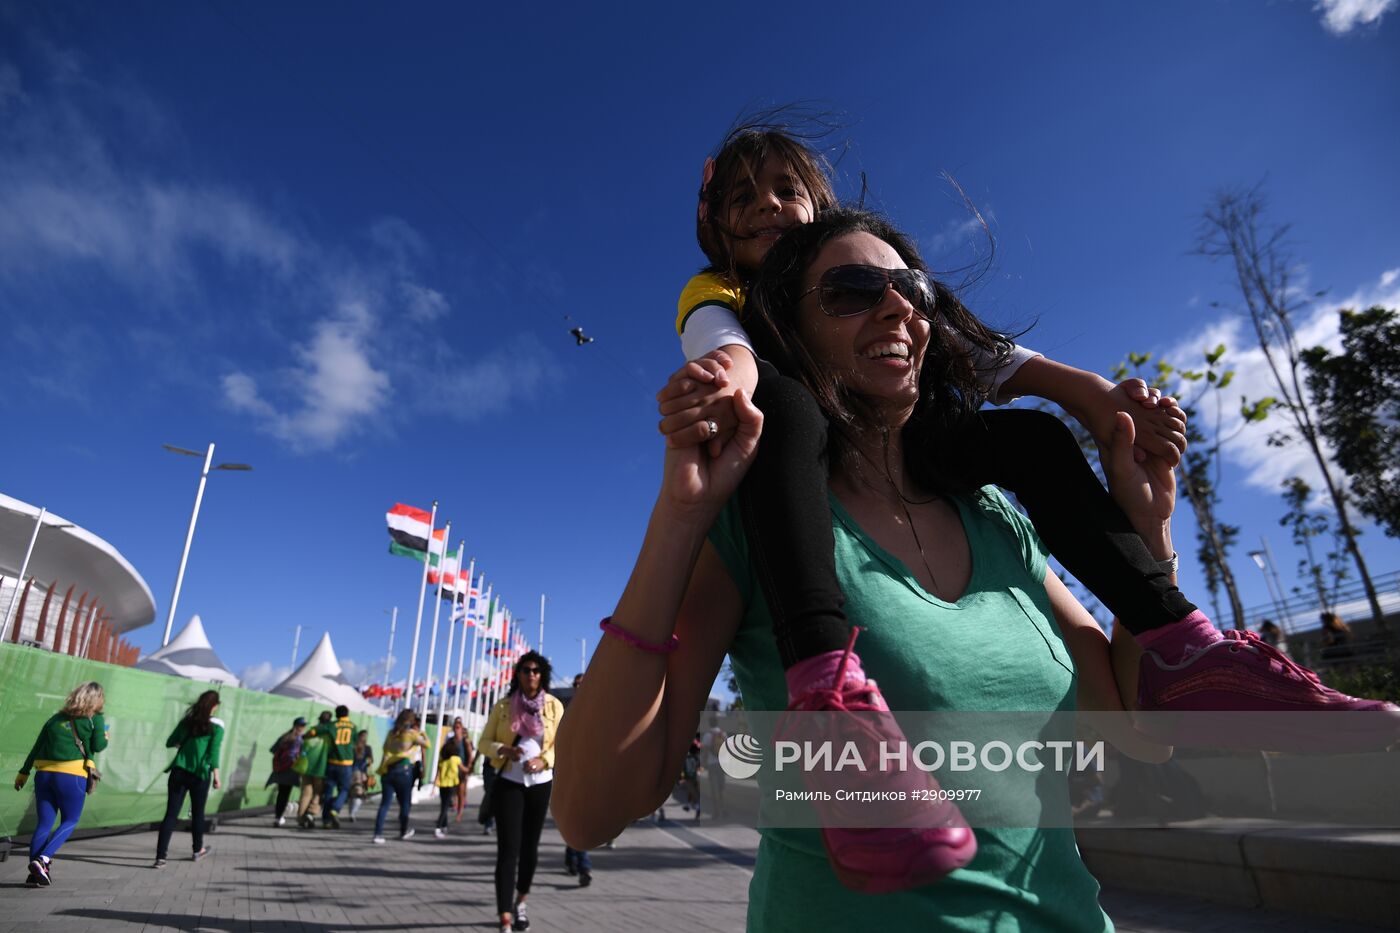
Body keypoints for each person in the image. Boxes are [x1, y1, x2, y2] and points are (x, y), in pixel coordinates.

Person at [554, 209, 1241, 928]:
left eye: (913, 289)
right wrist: (680, 516)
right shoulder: (764, 528)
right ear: (790, 332)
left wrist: (1149, 523)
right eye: (851, 288)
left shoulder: (994, 514)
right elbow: (585, 814)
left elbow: (1140, 727)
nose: (897, 306)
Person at [656, 119, 1393, 760]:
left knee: (1036, 437)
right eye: (743, 199)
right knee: (786, 408)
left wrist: (1099, 400)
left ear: (821, 200)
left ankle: (1186, 647)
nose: (767, 208)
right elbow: (727, 346)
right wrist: (726, 377)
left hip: (911, 440)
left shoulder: (875, 276)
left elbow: (984, 354)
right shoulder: (720, 292)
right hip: (798, 442)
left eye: (785, 188)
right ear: (712, 222)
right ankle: (826, 688)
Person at [481, 651, 564, 932]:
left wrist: (544, 760)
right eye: (526, 669)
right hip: (509, 782)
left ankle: (521, 902)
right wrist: (502, 749)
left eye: (537, 670)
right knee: (508, 850)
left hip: (540, 784)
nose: (532, 674)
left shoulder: (554, 707)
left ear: (543, 675)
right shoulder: (503, 707)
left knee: (530, 849)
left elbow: (562, 744)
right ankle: (504, 914)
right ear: (518, 674)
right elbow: (484, 741)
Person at [14, 681, 107, 887]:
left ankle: (34, 873)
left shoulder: (55, 719)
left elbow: (37, 746)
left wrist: (23, 772)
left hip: (43, 775)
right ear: (97, 699)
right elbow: (99, 745)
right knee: (70, 820)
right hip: (72, 776)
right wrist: (105, 735)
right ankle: (43, 859)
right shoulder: (95, 719)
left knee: (44, 824)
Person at [155, 689, 224, 867]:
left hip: (179, 771)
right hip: (200, 774)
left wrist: (184, 745)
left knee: (171, 813)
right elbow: (214, 753)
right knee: (198, 813)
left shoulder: (187, 722)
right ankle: (197, 850)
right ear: (214, 706)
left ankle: (160, 857)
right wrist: (216, 776)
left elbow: (170, 741)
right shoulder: (216, 726)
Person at [373, 708, 428, 844]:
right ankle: (403, 830)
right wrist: (421, 732)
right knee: (404, 803)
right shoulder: (411, 734)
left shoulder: (391, 734)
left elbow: (385, 749)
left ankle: (377, 833)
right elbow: (427, 744)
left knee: (384, 804)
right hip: (404, 770)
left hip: (389, 769)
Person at [562, 673, 593, 886]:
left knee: (580, 821)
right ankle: (580, 864)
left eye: (582, 684)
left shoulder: (598, 710)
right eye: (576, 684)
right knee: (575, 820)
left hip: (591, 774)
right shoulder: (567, 711)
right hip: (569, 773)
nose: (578, 687)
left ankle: (577, 861)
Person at [306, 704, 358, 829]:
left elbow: (313, 731)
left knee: (328, 792)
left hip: (332, 763)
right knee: (344, 789)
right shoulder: (353, 727)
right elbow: (354, 743)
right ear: (347, 714)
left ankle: (326, 821)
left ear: (336, 714)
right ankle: (335, 809)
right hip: (346, 764)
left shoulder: (331, 725)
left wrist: (307, 736)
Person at [266, 717, 307, 826]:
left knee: (281, 793)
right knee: (286, 793)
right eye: (303, 726)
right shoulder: (300, 739)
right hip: (291, 769)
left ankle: (278, 817)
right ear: (301, 727)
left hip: (280, 769)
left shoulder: (284, 737)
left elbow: (273, 750)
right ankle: (281, 817)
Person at [296, 710, 332, 829]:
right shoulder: (330, 734)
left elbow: (303, 743)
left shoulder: (312, 731)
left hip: (306, 766)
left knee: (306, 793)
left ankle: (301, 818)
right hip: (321, 768)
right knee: (317, 792)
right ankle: (311, 813)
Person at [434, 737, 468, 837]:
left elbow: (438, 773)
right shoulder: (456, 759)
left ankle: (444, 826)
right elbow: (464, 769)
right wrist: (469, 768)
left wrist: (434, 785)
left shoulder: (442, 761)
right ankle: (438, 827)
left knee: (443, 805)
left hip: (442, 785)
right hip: (451, 785)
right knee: (445, 807)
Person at [703, 716, 727, 818]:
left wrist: (704, 763)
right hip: (722, 764)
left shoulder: (707, 735)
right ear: (717, 723)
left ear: (709, 723)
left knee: (714, 789)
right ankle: (723, 809)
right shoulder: (723, 734)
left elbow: (705, 751)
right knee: (721, 788)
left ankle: (716, 811)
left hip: (712, 764)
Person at [348, 729, 375, 822]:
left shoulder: (352, 747)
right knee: (358, 794)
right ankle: (352, 813)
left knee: (352, 794)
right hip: (360, 774)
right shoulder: (367, 748)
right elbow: (370, 761)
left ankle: (351, 812)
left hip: (349, 772)